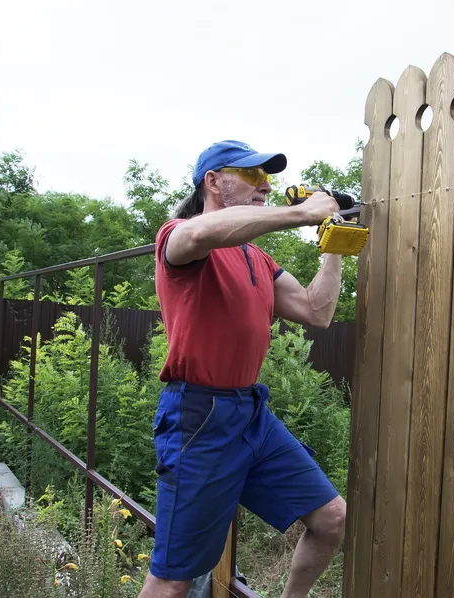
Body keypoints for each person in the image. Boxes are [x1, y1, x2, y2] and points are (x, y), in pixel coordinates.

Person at [139, 140, 347, 598]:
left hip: (250, 413)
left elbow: (317, 311)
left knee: (331, 518)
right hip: (198, 416)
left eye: (266, 177)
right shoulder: (179, 237)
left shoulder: (257, 258)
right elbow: (200, 235)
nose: (266, 185)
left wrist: (334, 239)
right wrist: (301, 213)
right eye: (252, 175)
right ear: (213, 182)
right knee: (174, 578)